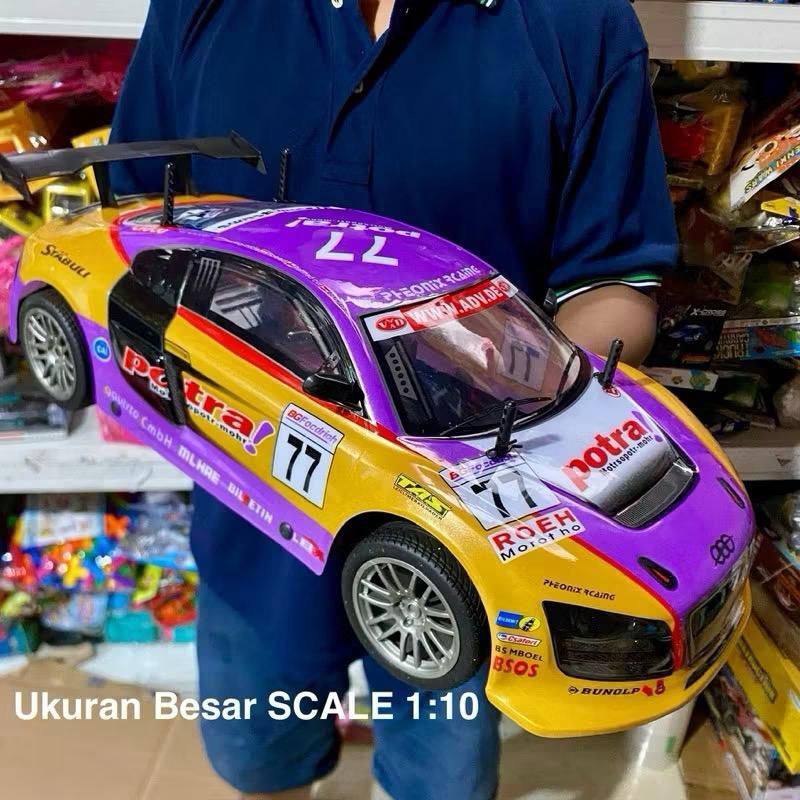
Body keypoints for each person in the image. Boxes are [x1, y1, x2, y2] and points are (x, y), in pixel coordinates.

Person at [111, 1, 677, 798]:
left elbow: (614, 279)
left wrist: (529, 393)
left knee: (441, 772)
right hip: (252, 498)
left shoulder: (578, 23)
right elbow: (129, 218)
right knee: (256, 755)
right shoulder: (203, 9)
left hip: (456, 526)